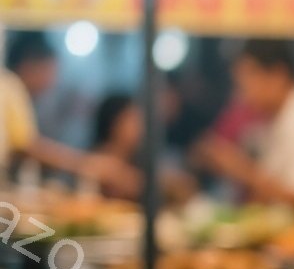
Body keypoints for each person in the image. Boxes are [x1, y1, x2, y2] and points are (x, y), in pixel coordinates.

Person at [192, 40, 294, 217]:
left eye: (246, 82)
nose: (243, 95)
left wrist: (242, 170)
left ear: (278, 75)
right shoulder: (281, 116)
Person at [1, 32, 137, 190]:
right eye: (50, 71)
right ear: (30, 65)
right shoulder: (10, 85)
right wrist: (87, 164)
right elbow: (28, 145)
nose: (51, 81)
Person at [90, 93, 195, 203]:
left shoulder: (137, 159)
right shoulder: (97, 160)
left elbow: (182, 187)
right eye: (132, 120)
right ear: (113, 123)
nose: (140, 126)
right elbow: (127, 182)